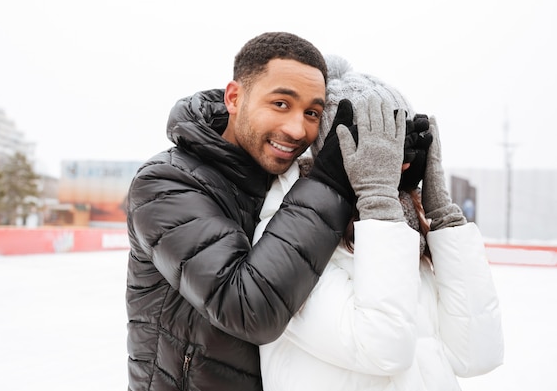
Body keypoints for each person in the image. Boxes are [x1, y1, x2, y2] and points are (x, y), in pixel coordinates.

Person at [125, 33, 358, 391]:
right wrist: (330, 185)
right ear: (234, 98)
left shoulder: (290, 183)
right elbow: (248, 309)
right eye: (281, 103)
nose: (298, 129)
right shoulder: (165, 183)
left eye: (312, 112)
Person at [257, 54, 504, 391]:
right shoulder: (286, 238)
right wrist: (377, 199)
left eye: (405, 144)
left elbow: (477, 355)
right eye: (381, 145)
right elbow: (384, 350)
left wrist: (442, 213)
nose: (398, 161)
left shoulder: (404, 232)